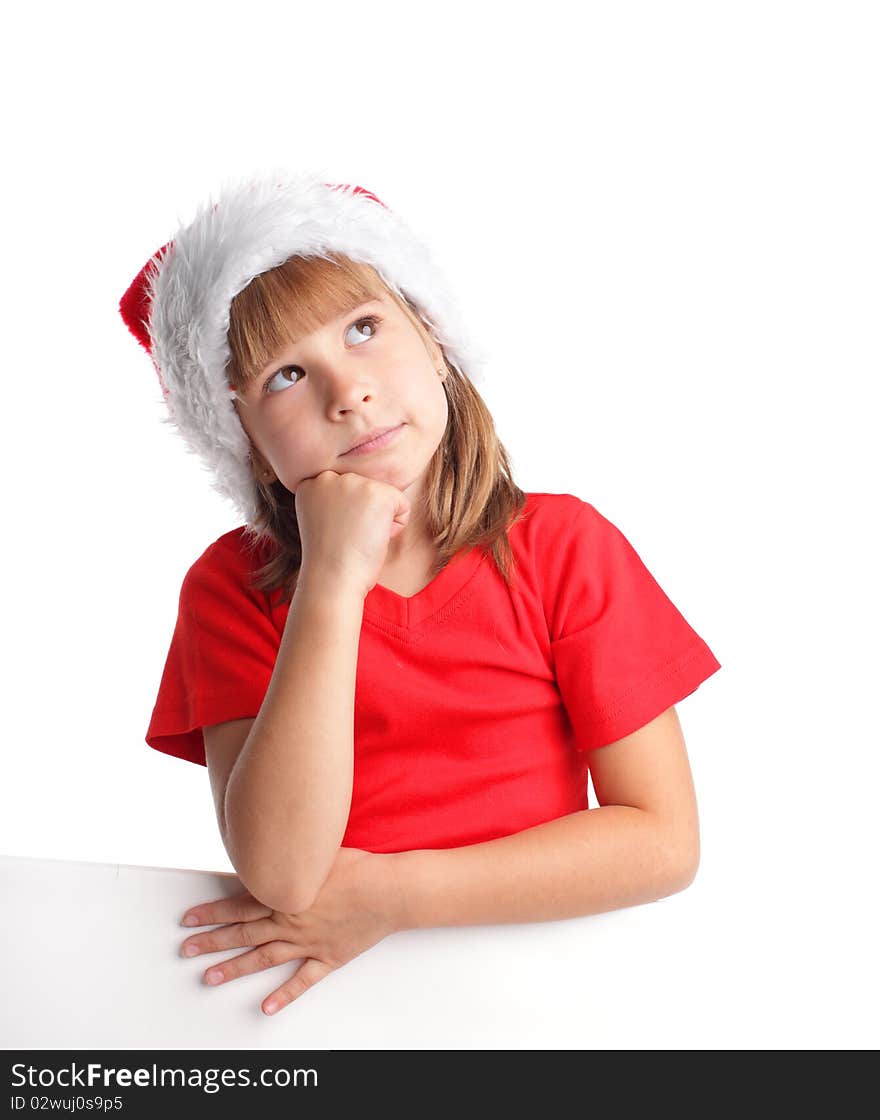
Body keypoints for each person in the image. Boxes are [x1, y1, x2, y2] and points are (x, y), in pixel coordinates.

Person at [119, 169, 722, 1017]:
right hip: (322, 1017)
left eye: (364, 328)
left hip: (537, 997)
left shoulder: (562, 547)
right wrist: (331, 578)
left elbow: (662, 842)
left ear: (434, 337)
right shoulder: (230, 589)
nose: (347, 393)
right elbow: (284, 872)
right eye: (285, 376)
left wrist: (391, 897)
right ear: (246, 441)